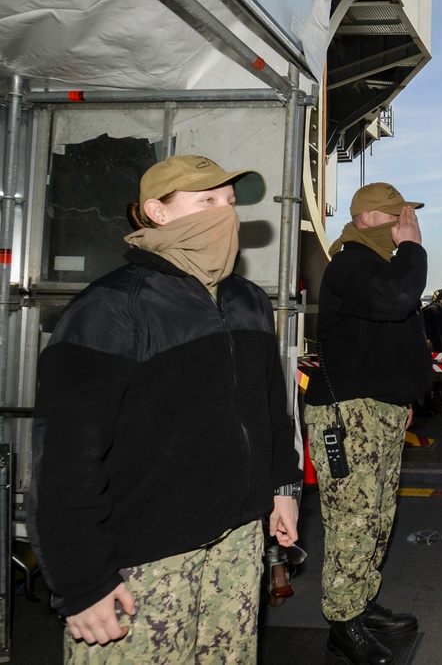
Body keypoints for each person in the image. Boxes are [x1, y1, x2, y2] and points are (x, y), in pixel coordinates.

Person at [28, 154, 302, 663]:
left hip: (237, 547)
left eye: (229, 202)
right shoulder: (110, 308)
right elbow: (65, 459)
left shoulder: (248, 301)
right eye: (206, 202)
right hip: (145, 563)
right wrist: (81, 582)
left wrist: (282, 488)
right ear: (157, 212)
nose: (226, 215)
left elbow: (270, 407)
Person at [303, 181, 431, 665]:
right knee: (353, 520)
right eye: (398, 215)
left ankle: (361, 601)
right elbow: (398, 300)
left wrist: (403, 397)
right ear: (367, 220)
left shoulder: (376, 265)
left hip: (380, 409)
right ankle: (342, 622)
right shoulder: (353, 264)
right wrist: (413, 248)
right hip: (349, 413)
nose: (406, 224)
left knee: (377, 516)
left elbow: (389, 336)